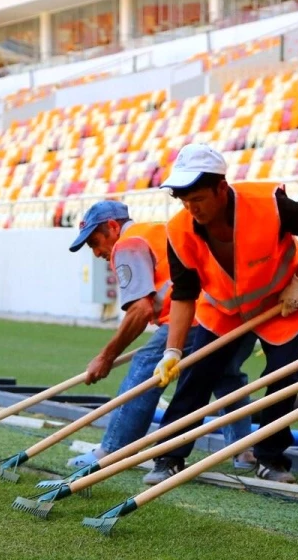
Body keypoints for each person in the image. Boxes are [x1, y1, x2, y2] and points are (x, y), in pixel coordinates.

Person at [145, 144, 298, 484]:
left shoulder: (267, 205)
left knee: (281, 377)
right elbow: (184, 295)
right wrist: (172, 350)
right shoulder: (179, 229)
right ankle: (168, 456)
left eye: (197, 198)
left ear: (221, 188)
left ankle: (270, 459)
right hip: (223, 309)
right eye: (184, 201)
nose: (191, 208)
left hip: (280, 302)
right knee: (197, 375)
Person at [66, 199, 252, 470]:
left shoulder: (127, 244)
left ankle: (113, 450)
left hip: (193, 314)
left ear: (112, 227)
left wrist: (105, 357)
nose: (96, 253)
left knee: (146, 365)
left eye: (95, 242)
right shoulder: (157, 229)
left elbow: (139, 311)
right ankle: (244, 452)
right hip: (227, 308)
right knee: (225, 376)